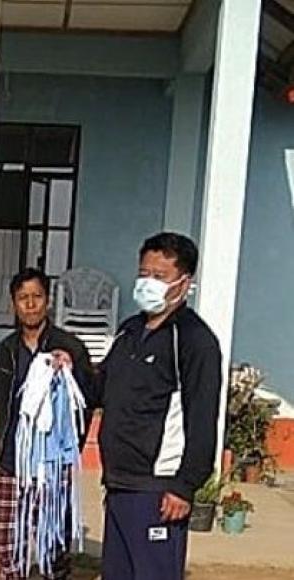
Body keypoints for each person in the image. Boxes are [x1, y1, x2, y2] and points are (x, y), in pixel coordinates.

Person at [95, 233, 222, 580]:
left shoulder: (194, 340)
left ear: (184, 282)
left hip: (158, 489)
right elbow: (101, 388)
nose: (147, 282)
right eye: (144, 273)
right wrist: (67, 365)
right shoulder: (129, 331)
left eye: (159, 276)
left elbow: (202, 418)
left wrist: (184, 485)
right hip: (119, 483)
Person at [0, 268, 94, 580]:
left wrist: (69, 451)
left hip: (52, 463)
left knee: (53, 545)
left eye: (37, 296)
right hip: (13, 462)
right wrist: (0, 455)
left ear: (47, 300)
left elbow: (87, 399)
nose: (30, 304)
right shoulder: (5, 350)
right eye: (23, 298)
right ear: (14, 303)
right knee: (8, 548)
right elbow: (3, 407)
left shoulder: (69, 346)